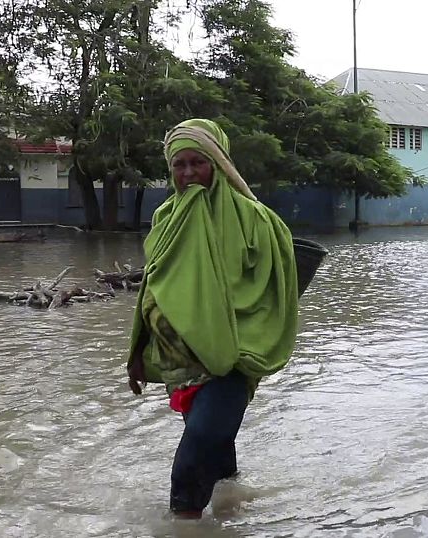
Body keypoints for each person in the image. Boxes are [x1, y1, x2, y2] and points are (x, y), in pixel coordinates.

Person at [125, 119, 300, 519]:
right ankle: (232, 509)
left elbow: (276, 292)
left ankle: (183, 522)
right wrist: (137, 351)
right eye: (178, 165)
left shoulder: (257, 220)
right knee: (217, 448)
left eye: (198, 163)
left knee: (199, 443)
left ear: (218, 164)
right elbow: (154, 288)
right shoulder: (166, 217)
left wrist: (245, 337)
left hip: (236, 354)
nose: (187, 174)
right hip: (182, 359)